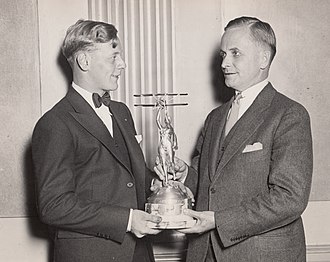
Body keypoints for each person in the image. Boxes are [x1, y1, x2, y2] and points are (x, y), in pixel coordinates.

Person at [155, 16, 313, 262]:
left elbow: (290, 198)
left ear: (263, 59)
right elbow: (210, 185)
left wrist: (218, 221)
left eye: (235, 53)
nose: (225, 63)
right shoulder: (215, 118)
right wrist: (185, 173)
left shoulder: (289, 114)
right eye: (223, 54)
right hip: (205, 253)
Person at [32, 19, 163, 262]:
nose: (122, 65)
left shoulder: (122, 112)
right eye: (114, 57)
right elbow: (53, 205)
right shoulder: (55, 123)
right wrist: (127, 220)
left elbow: (126, 178)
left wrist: (158, 185)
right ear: (84, 61)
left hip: (139, 253)